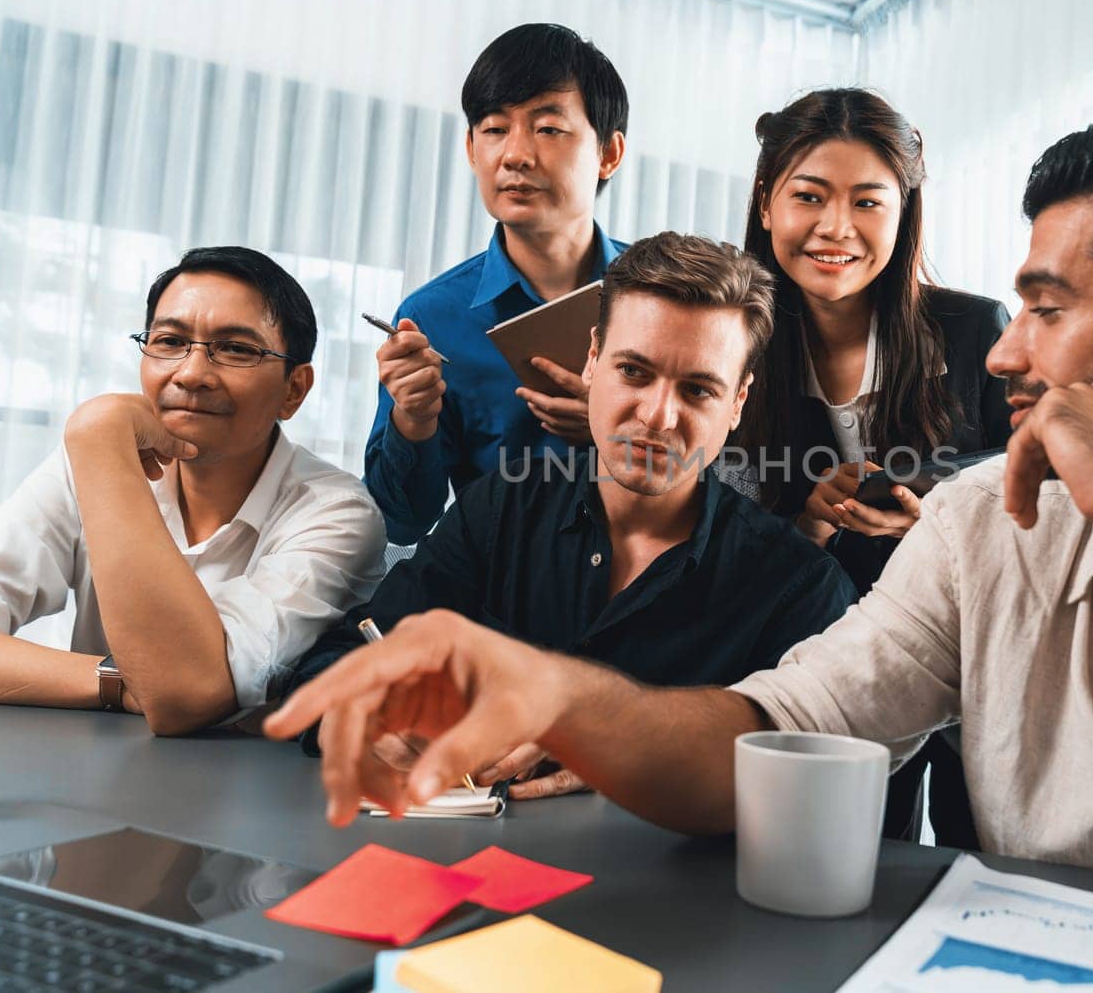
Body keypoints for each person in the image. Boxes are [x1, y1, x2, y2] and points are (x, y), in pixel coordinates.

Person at [268, 125, 1093, 989]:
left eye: (1045, 307)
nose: (1003, 352)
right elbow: (777, 730)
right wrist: (552, 694)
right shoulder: (985, 521)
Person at [283, 232, 856, 799]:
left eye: (699, 390)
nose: (658, 416)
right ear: (591, 362)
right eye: (634, 372)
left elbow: (811, 778)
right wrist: (357, 718)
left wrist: (630, 752)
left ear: (738, 403)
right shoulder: (499, 509)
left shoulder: (799, 589)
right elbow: (339, 659)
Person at [0, 247, 386, 736]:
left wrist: (167, 685)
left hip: (249, 791)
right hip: (89, 766)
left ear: (294, 389)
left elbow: (185, 695)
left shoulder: (338, 513)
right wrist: (122, 682)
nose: (189, 374)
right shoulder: (100, 457)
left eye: (236, 349)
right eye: (169, 340)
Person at [731, 88, 1014, 847]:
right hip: (822, 661)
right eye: (809, 197)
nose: (836, 228)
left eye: (868, 202)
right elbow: (726, 539)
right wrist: (811, 520)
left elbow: (1038, 461)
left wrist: (932, 491)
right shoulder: (736, 349)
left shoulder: (975, 329)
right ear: (766, 205)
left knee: (973, 856)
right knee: (846, 861)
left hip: (973, 652)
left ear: (903, 213)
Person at [365, 23, 631, 544]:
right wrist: (412, 421)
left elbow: (733, 471)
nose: (514, 155)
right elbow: (401, 524)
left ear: (608, 153)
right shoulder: (434, 315)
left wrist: (613, 438)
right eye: (493, 129)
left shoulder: (667, 300)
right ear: (470, 148)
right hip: (496, 599)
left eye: (548, 129)